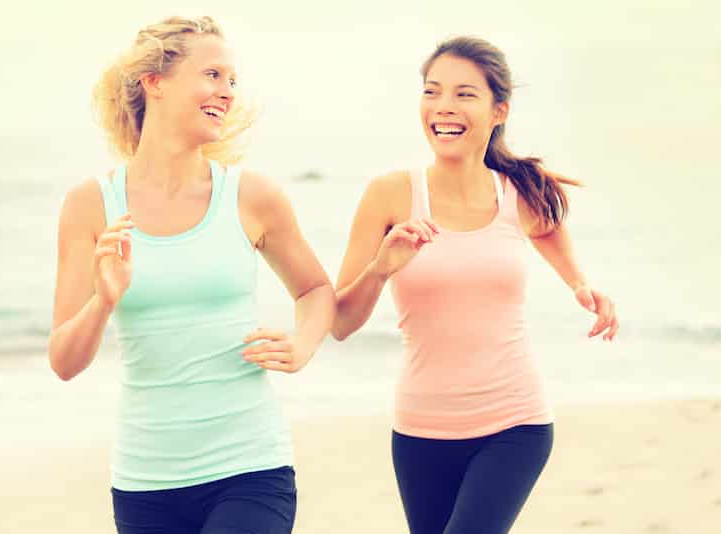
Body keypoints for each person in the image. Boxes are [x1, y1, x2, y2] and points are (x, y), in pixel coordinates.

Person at [48, 16, 335, 534]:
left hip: (250, 467)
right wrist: (104, 302)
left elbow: (315, 289)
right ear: (153, 82)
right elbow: (64, 361)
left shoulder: (252, 197)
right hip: (145, 481)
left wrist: (303, 344)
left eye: (231, 81)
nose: (226, 93)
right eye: (212, 75)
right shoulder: (90, 205)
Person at [332, 36, 618, 534]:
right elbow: (339, 323)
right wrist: (381, 268)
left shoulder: (519, 191)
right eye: (431, 91)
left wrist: (579, 284)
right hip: (420, 430)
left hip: (515, 421)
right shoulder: (390, 194)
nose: (443, 107)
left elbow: (548, 225)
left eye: (464, 94)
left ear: (497, 110)